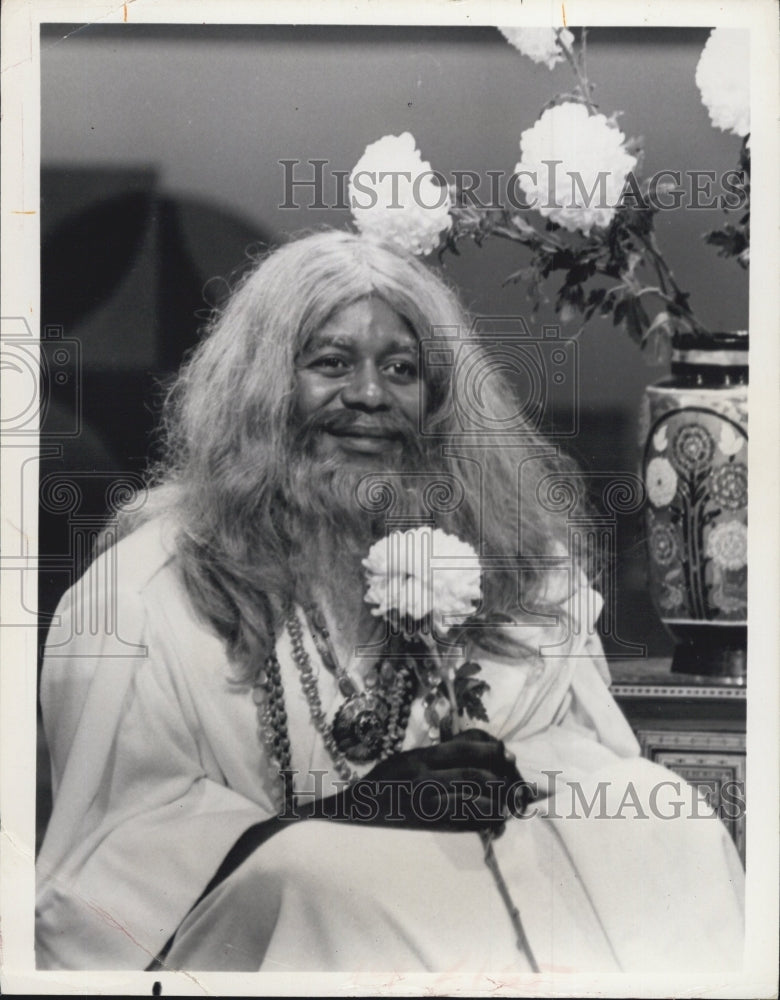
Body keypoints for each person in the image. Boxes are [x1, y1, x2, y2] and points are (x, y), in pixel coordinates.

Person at [36, 230, 744, 974]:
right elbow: (115, 849)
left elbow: (581, 754)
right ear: (261, 390)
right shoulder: (145, 590)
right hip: (275, 926)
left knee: (676, 828)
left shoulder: (514, 561)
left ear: (438, 401)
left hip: (485, 887)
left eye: (400, 369)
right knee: (340, 880)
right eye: (330, 363)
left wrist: (501, 772)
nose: (369, 396)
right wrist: (343, 816)